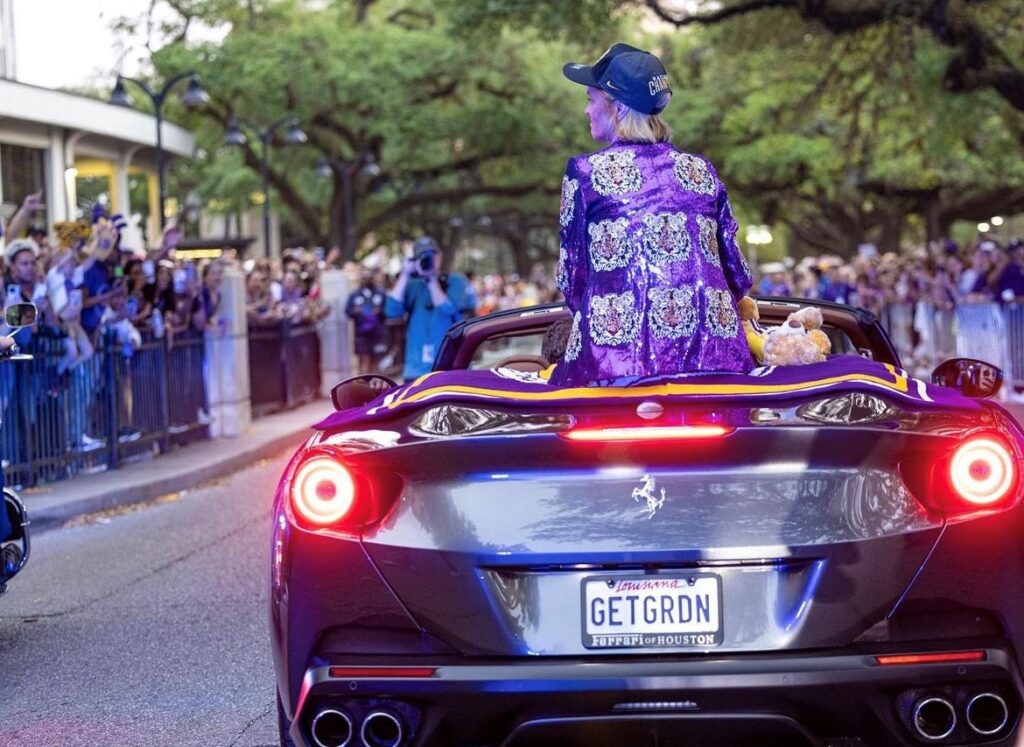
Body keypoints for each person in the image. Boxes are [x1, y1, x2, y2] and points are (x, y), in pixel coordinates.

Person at [553, 43, 753, 386]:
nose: (586, 110)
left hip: (614, 367)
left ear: (616, 107)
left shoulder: (584, 173)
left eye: (590, 99)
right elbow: (736, 273)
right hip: (714, 361)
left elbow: (572, 278)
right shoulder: (701, 171)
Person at [385, 236, 475, 381]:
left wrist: (432, 279)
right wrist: (405, 274)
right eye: (422, 256)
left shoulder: (456, 281)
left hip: (451, 366)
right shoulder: (412, 285)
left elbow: (448, 309)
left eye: (432, 254)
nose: (428, 259)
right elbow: (392, 311)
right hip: (415, 369)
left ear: (440, 255)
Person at [345, 270, 388, 374]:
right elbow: (347, 311)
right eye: (364, 277)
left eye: (368, 277)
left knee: (376, 360)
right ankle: (362, 385)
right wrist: (355, 311)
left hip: (377, 334)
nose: (366, 280)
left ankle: (376, 386)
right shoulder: (354, 295)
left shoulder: (381, 293)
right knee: (362, 359)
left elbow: (388, 311)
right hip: (361, 334)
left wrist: (380, 311)